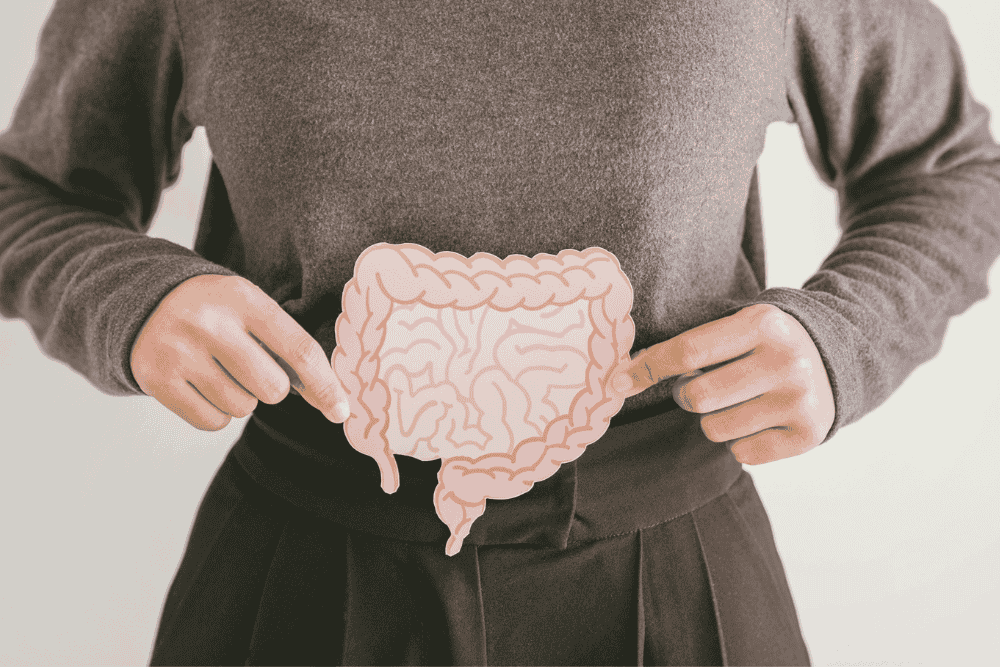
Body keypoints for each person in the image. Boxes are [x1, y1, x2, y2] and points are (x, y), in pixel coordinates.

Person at [1, 0, 998, 664]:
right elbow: (28, 194)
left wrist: (847, 334)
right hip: (302, 570)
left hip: (675, 574)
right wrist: (122, 291)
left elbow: (950, 170)